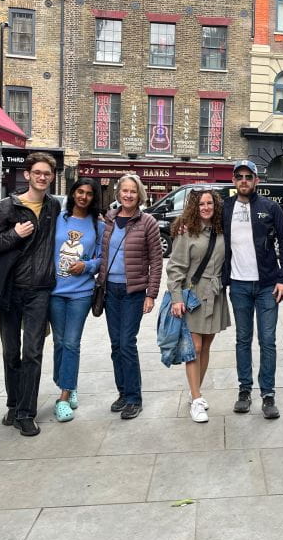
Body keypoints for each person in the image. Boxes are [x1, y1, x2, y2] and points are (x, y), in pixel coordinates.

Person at [0, 152, 60, 437]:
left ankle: (27, 413)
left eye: (47, 174)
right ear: (27, 175)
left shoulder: (53, 207)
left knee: (33, 353)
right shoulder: (7, 207)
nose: (42, 177)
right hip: (9, 290)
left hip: (39, 290)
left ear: (52, 177)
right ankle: (13, 404)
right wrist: (14, 234)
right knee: (11, 351)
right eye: (37, 172)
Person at [222, 160, 283, 420]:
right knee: (242, 339)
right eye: (239, 176)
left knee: (267, 340)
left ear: (256, 181)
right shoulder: (225, 207)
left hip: (266, 285)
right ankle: (244, 390)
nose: (243, 180)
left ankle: (268, 393)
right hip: (238, 284)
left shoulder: (270, 207)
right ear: (233, 180)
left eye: (248, 177)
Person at [97, 174, 162, 420]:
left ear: (140, 194)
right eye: (124, 190)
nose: (128, 195)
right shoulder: (110, 219)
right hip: (109, 291)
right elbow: (101, 252)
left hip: (133, 291)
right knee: (115, 345)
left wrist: (151, 294)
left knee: (127, 343)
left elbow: (156, 261)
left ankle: (135, 398)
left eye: (133, 191)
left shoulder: (148, 222)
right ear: (118, 193)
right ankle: (123, 393)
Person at [166, 189, 230, 423]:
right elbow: (175, 267)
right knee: (195, 347)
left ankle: (196, 394)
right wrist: (176, 298)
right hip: (193, 294)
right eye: (201, 203)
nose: (206, 207)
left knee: (207, 345)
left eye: (210, 203)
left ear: (216, 205)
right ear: (195, 206)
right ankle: (196, 398)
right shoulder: (187, 232)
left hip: (215, 293)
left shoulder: (222, 229)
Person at [49, 178, 104, 423]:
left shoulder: (97, 224)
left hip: (81, 292)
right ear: (72, 194)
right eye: (79, 192)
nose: (83, 197)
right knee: (59, 343)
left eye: (89, 194)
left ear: (93, 198)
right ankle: (68, 384)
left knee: (71, 342)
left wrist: (87, 266)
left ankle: (63, 397)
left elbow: (101, 259)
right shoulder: (58, 219)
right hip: (54, 291)